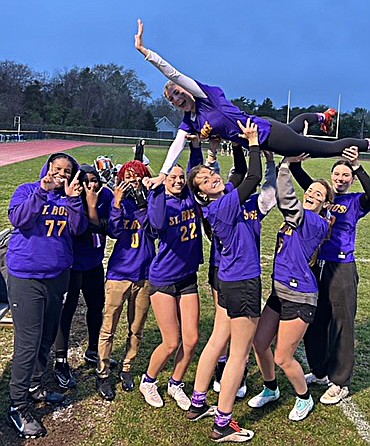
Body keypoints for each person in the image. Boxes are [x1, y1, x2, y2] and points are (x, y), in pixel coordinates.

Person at [134, 19, 370, 188]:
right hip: (259, 132)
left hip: (266, 134)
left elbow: (173, 73)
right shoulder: (191, 121)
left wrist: (145, 52)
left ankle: (366, 143)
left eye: (177, 93)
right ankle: (323, 116)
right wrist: (163, 175)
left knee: (325, 149)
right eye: (171, 99)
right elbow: (177, 146)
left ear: (186, 89)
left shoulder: (207, 97)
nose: (176, 99)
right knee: (297, 126)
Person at [186, 119, 270, 443]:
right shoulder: (223, 205)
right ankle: (223, 422)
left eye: (211, 174)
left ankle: (197, 403)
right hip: (244, 283)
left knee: (217, 340)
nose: (213, 178)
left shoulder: (219, 202)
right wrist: (252, 141)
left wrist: (233, 142)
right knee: (239, 354)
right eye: (205, 180)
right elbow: (253, 177)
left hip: (227, 281)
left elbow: (236, 174)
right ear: (202, 194)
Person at [6, 153, 88, 439]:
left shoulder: (70, 199)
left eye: (67, 171)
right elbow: (19, 218)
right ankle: (17, 405)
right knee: (28, 342)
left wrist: (75, 199)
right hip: (27, 276)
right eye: (57, 168)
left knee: (47, 336)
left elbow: (78, 229)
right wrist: (43, 191)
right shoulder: (28, 190)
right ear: (48, 168)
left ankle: (35, 384)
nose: (62, 174)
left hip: (57, 276)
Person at [247, 156, 332, 422]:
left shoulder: (315, 223)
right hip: (279, 292)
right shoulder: (300, 218)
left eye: (318, 194)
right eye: (310, 190)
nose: (311, 195)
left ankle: (304, 398)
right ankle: (271, 388)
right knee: (259, 343)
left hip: (300, 296)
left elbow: (287, 199)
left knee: (283, 356)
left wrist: (285, 167)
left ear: (325, 204)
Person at [289, 146, 370, 404]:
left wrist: (357, 165)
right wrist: (294, 159)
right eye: (338, 174)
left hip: (341, 267)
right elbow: (300, 177)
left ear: (353, 178)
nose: (341, 179)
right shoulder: (325, 197)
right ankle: (320, 370)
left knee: (341, 323)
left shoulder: (356, 201)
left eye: (347, 175)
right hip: (315, 266)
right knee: (315, 320)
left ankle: (340, 381)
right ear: (332, 175)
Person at [138, 161, 203, 411]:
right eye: (171, 178)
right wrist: (154, 190)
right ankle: (149, 380)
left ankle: (176, 383)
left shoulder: (189, 198)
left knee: (192, 338)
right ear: (163, 181)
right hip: (164, 279)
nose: (177, 181)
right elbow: (156, 224)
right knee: (171, 342)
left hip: (188, 277)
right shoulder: (162, 203)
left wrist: (195, 145)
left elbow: (194, 172)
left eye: (180, 177)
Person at [96, 160, 156, 400]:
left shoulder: (151, 202)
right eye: (127, 176)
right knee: (108, 327)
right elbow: (114, 231)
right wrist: (118, 202)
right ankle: (103, 372)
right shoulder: (117, 201)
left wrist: (143, 204)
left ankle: (127, 367)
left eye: (136, 176)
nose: (131, 180)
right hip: (119, 274)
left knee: (136, 327)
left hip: (144, 274)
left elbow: (155, 229)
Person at [53, 164, 114, 389]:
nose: (92, 185)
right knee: (67, 311)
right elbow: (81, 228)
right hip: (72, 264)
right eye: (86, 181)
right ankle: (60, 361)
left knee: (96, 306)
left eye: (95, 179)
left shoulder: (104, 195)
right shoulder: (72, 197)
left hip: (94, 263)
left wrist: (96, 208)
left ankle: (92, 349)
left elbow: (107, 227)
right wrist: (89, 207)